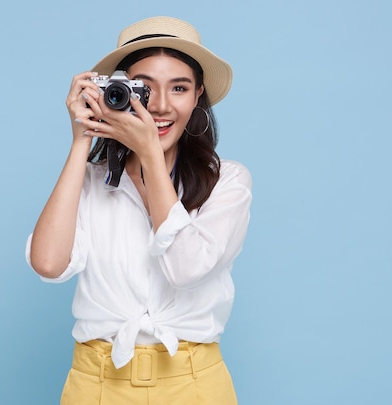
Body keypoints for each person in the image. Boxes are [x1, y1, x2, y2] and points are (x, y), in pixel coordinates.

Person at [25, 16, 252, 404]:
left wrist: (148, 153)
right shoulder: (93, 182)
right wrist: (82, 140)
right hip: (97, 382)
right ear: (119, 91)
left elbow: (185, 268)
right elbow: (47, 264)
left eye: (179, 88)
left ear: (198, 95)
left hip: (194, 383)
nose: (161, 106)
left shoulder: (227, 181)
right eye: (144, 88)